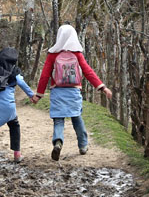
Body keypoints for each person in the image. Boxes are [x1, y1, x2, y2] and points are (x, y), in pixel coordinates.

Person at [32, 24, 113, 161]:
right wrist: (102, 87)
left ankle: (58, 141)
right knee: (77, 118)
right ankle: (83, 146)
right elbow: (88, 72)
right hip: (74, 91)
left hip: (57, 91)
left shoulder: (53, 54)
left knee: (58, 120)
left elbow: (45, 76)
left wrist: (39, 94)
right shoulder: (77, 54)